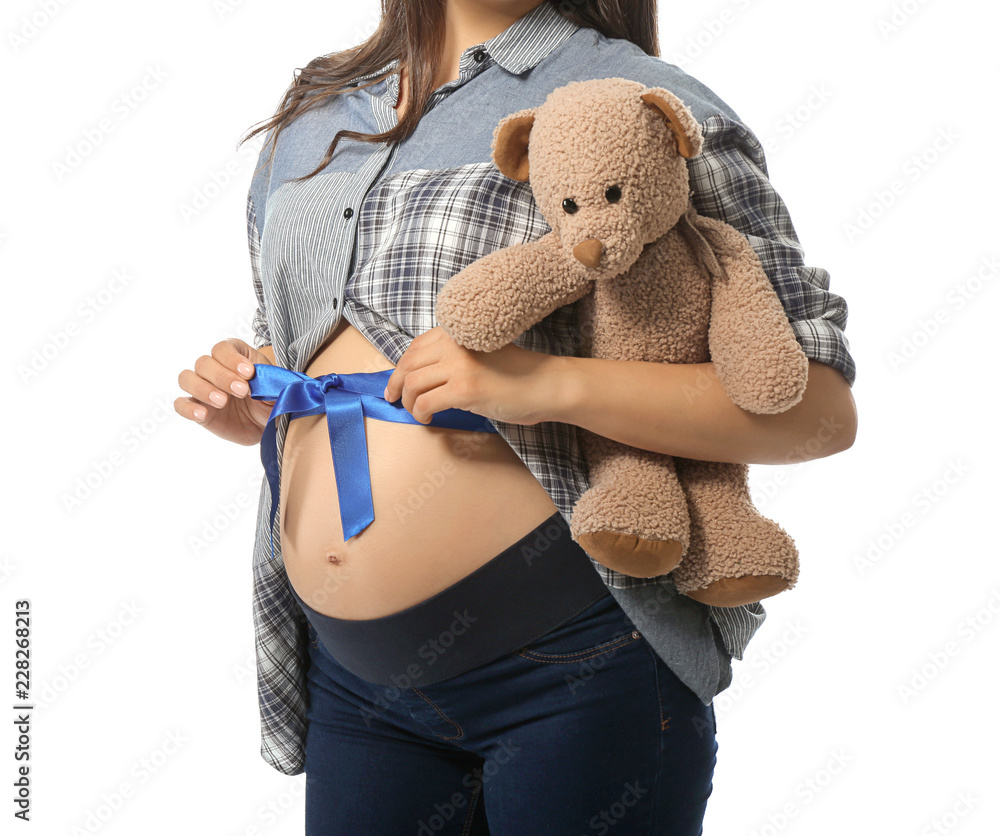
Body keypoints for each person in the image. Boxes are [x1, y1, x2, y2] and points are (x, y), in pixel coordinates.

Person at [174, 0, 858, 832]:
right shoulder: (316, 112)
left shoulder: (645, 106)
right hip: (352, 684)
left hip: (575, 667)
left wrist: (539, 384)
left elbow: (819, 411)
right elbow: (297, 338)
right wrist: (255, 400)